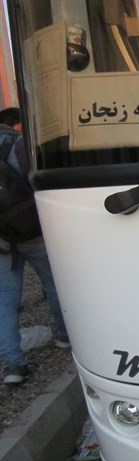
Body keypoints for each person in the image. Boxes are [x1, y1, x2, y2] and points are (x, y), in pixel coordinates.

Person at [0, 107, 70, 385]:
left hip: (2, 239)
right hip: (32, 230)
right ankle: (65, 336)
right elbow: (40, 184)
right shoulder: (16, 144)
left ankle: (13, 365)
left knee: (5, 299)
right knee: (53, 284)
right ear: (14, 125)